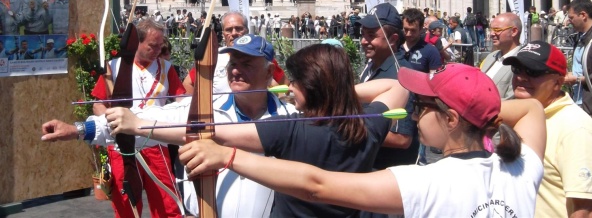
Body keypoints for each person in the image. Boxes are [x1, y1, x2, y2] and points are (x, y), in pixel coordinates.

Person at [45, 38, 408, 218]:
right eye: (232, 61)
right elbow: (145, 124)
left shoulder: (289, 119)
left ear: (270, 70)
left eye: (247, 64)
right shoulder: (203, 106)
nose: (236, 69)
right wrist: (80, 129)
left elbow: (204, 134)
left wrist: (142, 125)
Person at [179, 64, 546, 218]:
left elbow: (316, 184)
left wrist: (227, 156)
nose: (415, 113)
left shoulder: (427, 182)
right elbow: (532, 110)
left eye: (422, 105)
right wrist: (482, 116)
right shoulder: (520, 166)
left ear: (450, 120)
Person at [91, 19, 186, 218]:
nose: (158, 50)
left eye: (161, 45)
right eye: (153, 45)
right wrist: (111, 121)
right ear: (138, 43)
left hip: (156, 142)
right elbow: (98, 104)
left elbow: (181, 101)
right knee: (126, 203)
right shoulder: (114, 68)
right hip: (122, 146)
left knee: (167, 202)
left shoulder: (166, 68)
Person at [506, 41, 592, 217]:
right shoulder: (519, 111)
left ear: (558, 83)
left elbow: (586, 210)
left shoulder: (576, 128)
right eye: (517, 70)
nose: (521, 77)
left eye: (532, 72)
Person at [359, 3, 419, 182]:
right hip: (370, 169)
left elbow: (402, 138)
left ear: (392, 39)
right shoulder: (372, 64)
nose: (363, 41)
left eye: (371, 36)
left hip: (389, 177)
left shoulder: (401, 76)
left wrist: (347, 129)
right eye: (362, 34)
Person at [183, 11, 249, 95]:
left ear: (247, 31)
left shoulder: (261, 57)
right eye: (229, 30)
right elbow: (188, 83)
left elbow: (271, 83)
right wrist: (195, 106)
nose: (234, 33)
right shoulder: (212, 56)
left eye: (239, 29)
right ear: (223, 34)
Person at [480, 12, 523, 99]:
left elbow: (512, 100)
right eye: (491, 29)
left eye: (497, 30)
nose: (492, 34)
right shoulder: (490, 57)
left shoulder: (522, 62)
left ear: (514, 32)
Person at [401, 8, 441, 73]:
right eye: (406, 29)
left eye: (413, 30)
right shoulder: (395, 48)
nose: (408, 34)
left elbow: (434, 79)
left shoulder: (431, 51)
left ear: (420, 29)